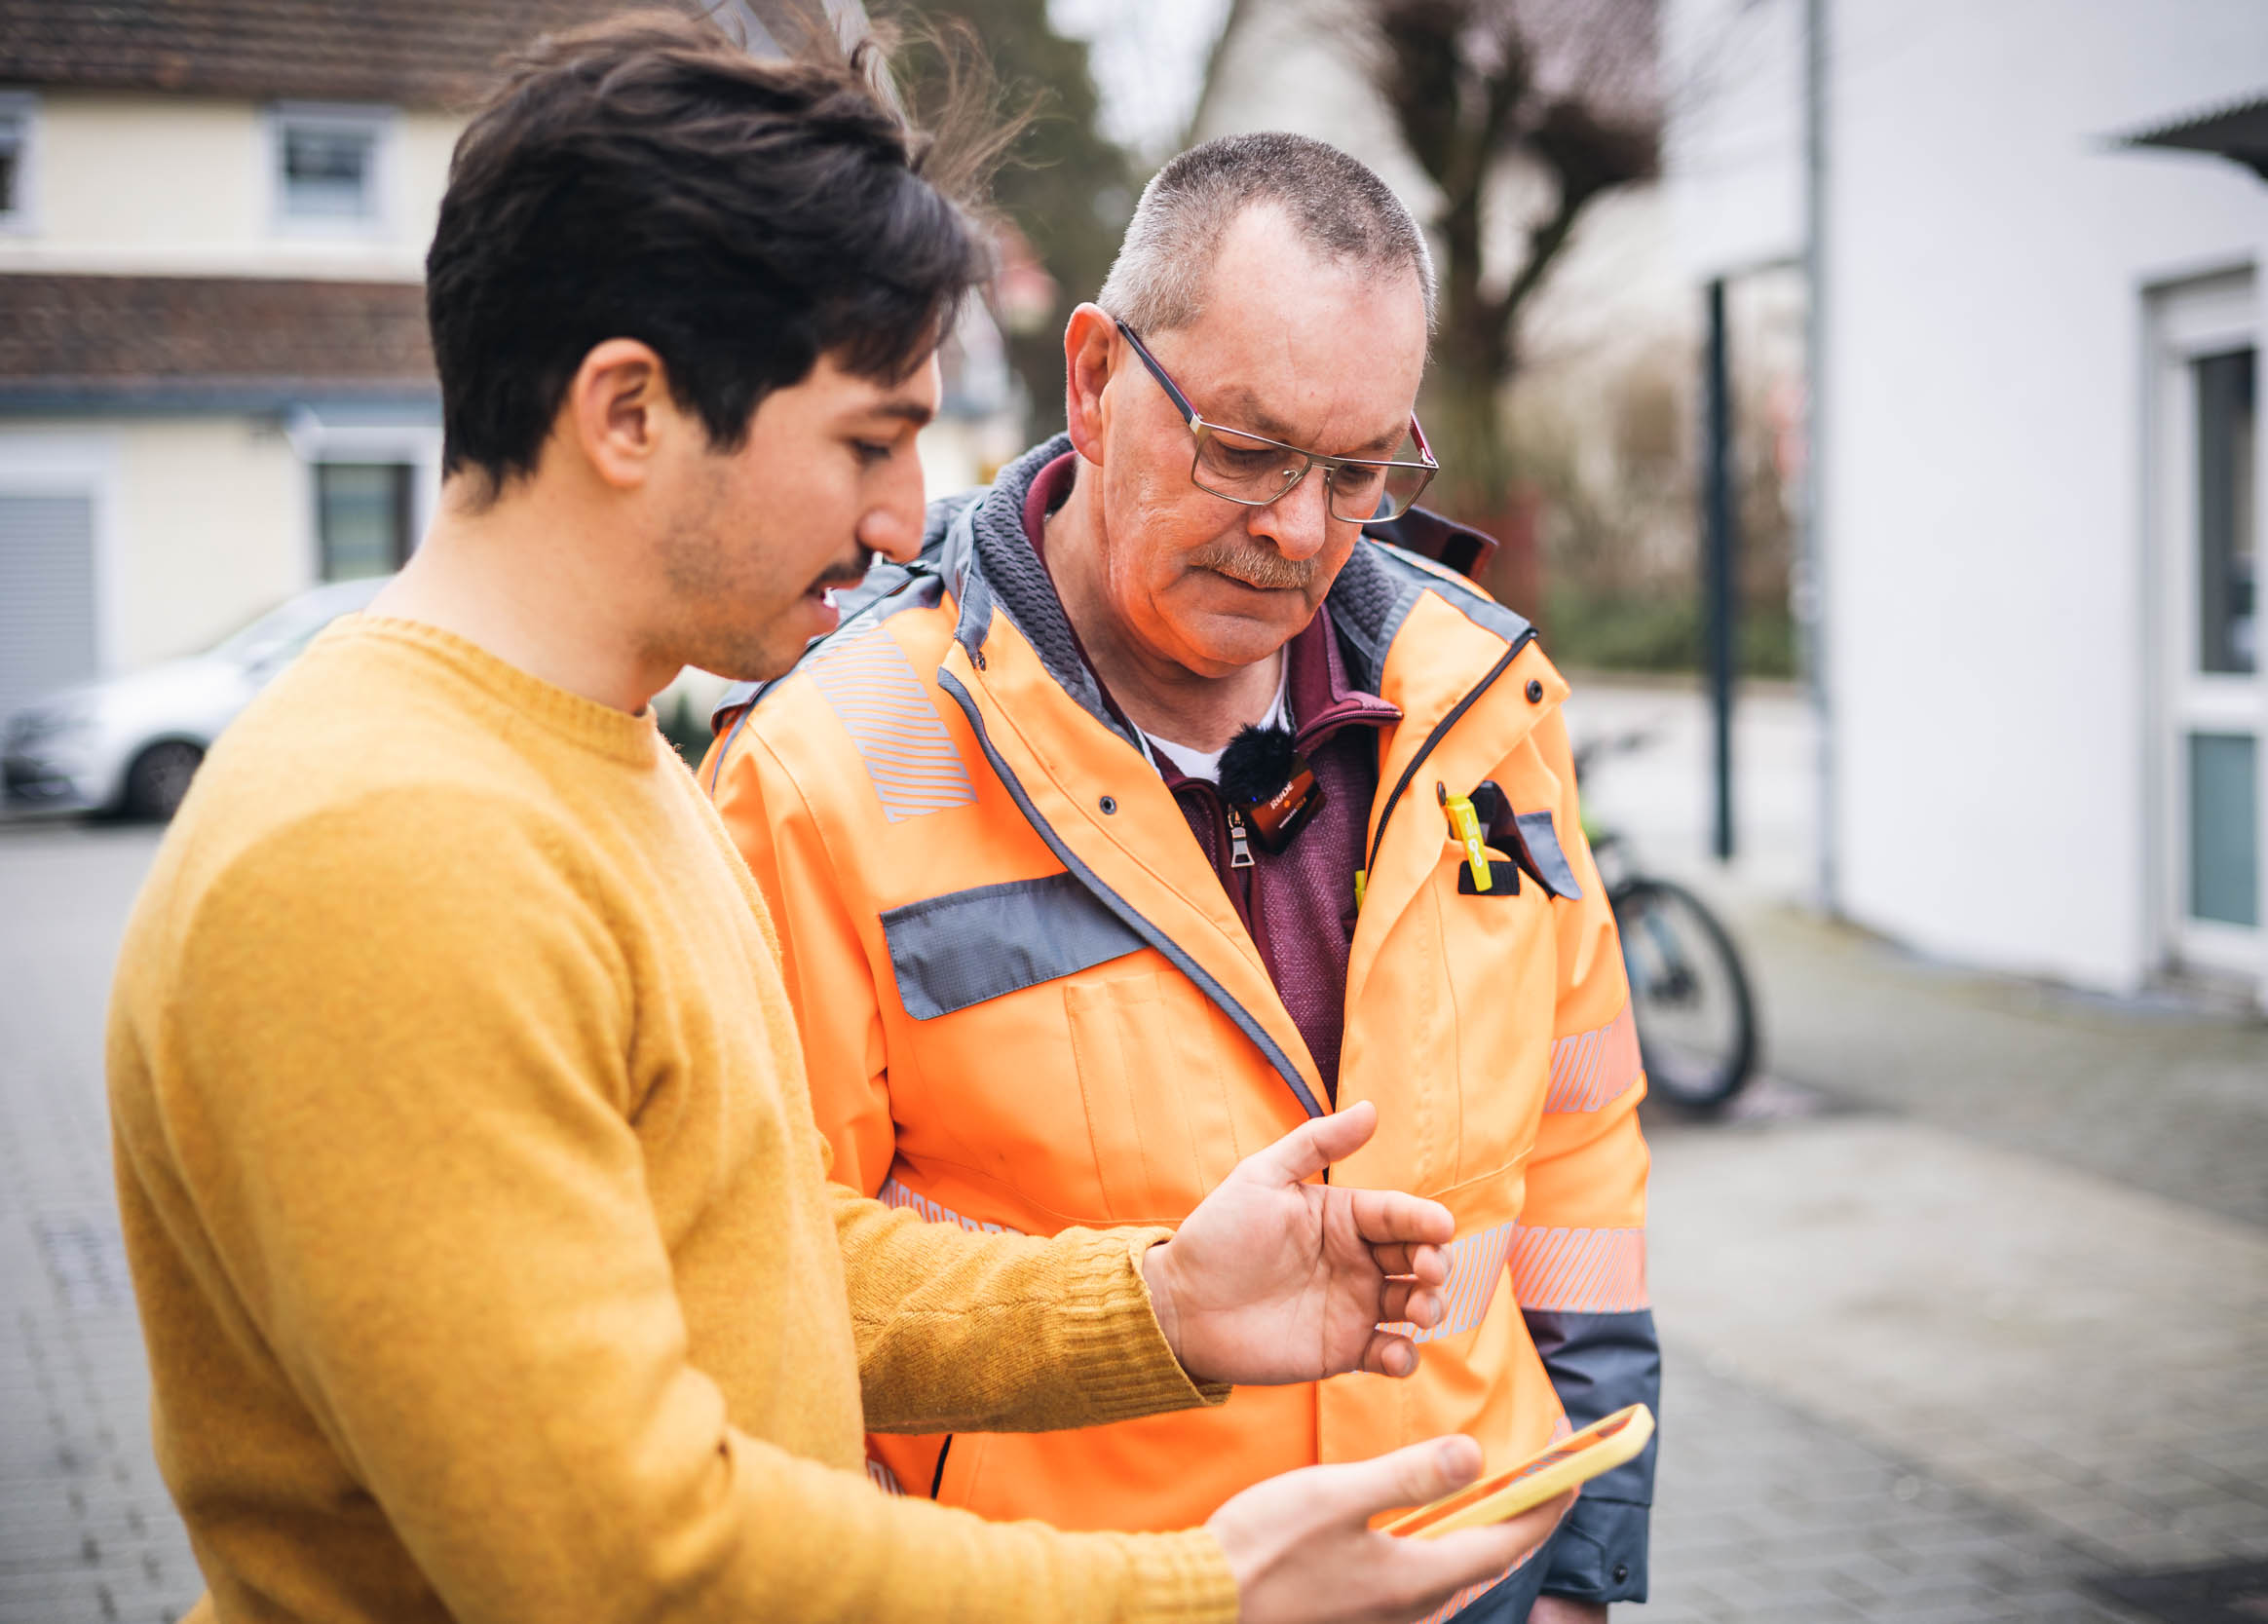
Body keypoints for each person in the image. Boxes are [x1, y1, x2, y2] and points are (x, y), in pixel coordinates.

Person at [104, 18, 1574, 1624]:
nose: (899, 521)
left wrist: (1153, 1302)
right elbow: (619, 1560)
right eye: (869, 443)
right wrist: (1199, 1598)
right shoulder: (384, 850)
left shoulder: (606, 770)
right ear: (629, 414)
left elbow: (765, 1256)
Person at [705, 132, 1660, 1624]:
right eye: (1246, 446)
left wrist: (1581, 1554)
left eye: (1356, 470)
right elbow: (765, 1282)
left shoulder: (1486, 703)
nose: (1297, 530)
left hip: (1473, 1563)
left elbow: (1580, 1143)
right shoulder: (825, 764)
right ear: (1091, 380)